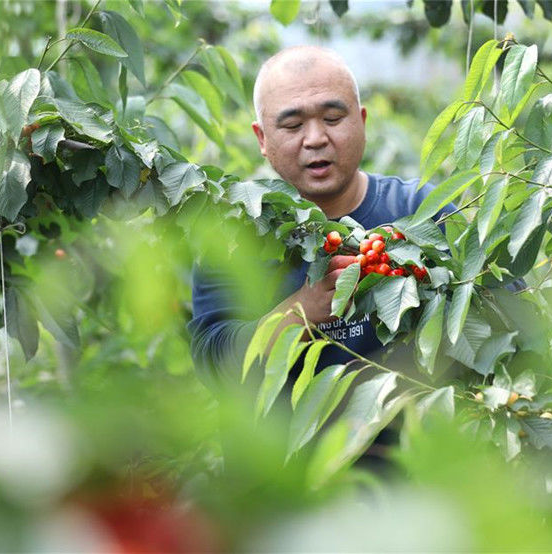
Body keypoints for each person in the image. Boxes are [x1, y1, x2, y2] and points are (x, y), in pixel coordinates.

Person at [188, 46, 456, 385]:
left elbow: (504, 310)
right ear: (262, 138)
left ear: (361, 122)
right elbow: (214, 365)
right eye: (293, 124)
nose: (315, 139)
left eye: (332, 119)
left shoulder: (422, 211)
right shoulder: (231, 236)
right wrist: (302, 312)